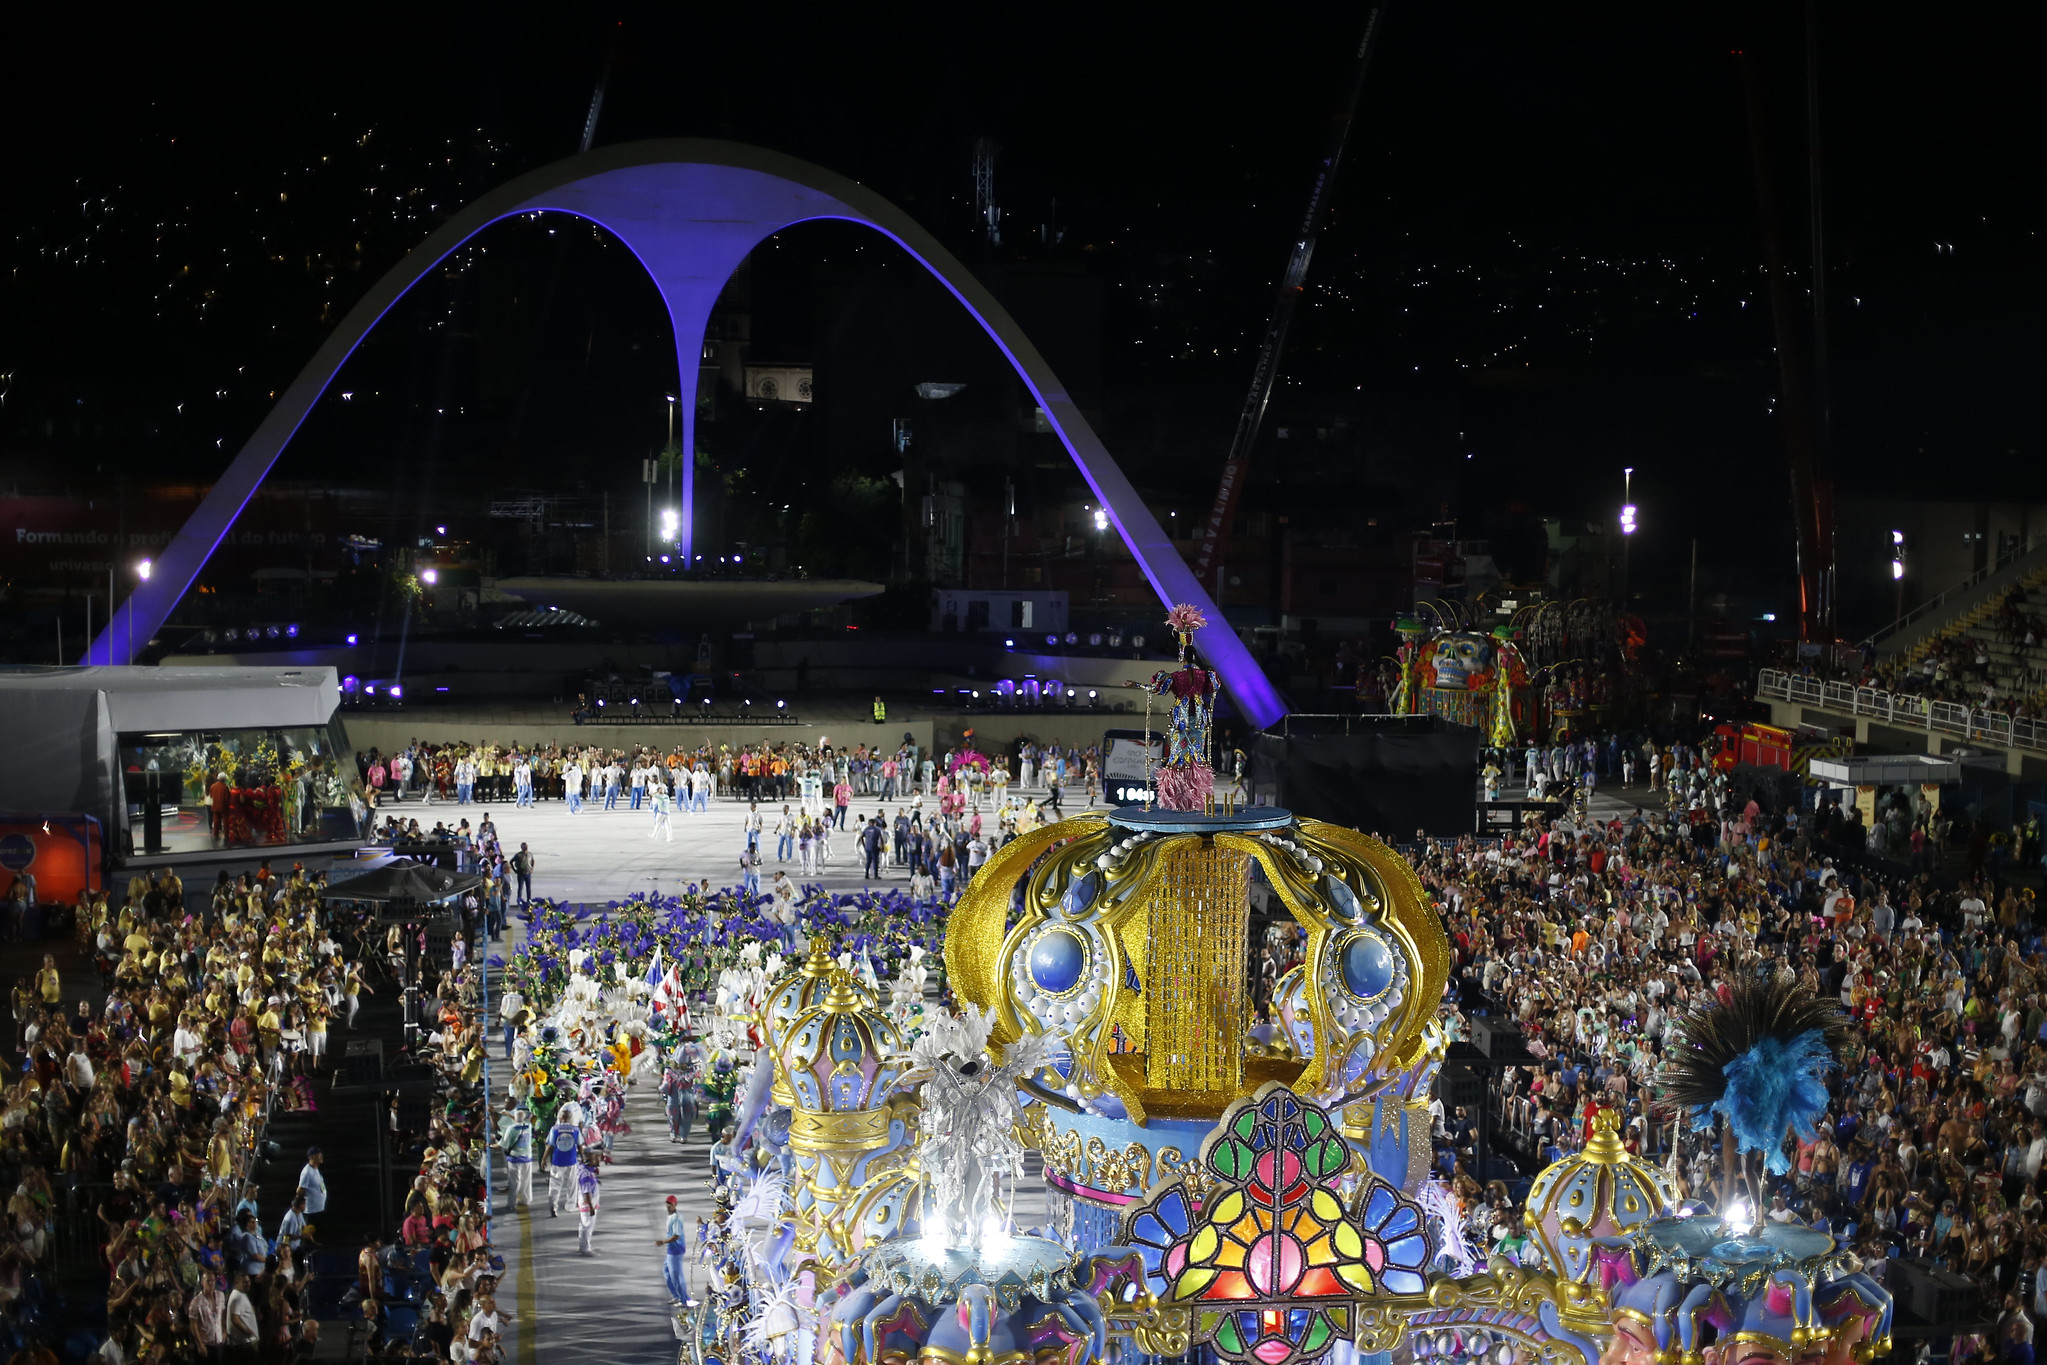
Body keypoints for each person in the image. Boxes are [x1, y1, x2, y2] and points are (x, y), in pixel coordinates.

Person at [498, 1105, 536, 1209]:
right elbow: (521, 1121)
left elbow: (505, 1144)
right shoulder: (528, 1126)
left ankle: (511, 1204)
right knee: (526, 1180)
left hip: (514, 1158)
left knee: (514, 1182)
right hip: (527, 1157)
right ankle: (526, 1200)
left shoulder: (511, 1129)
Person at [546, 1111, 582, 1215]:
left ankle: (553, 1205)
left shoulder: (554, 1129)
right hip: (571, 1160)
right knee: (572, 1185)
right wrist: (583, 1157)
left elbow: (549, 1145)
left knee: (555, 1184)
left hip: (557, 1161)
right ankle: (570, 1206)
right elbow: (580, 1145)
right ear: (570, 1118)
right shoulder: (575, 1129)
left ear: (560, 1118)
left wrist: (544, 1159)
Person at [661, 1194, 690, 1303]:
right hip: (671, 1248)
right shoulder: (671, 1216)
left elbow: (676, 1236)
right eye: (667, 1205)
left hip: (676, 1250)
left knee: (676, 1276)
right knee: (667, 1272)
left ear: (675, 1205)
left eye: (670, 1205)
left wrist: (663, 1242)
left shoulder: (676, 1218)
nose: (668, 1207)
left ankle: (683, 1299)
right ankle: (676, 1295)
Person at [576, 1149, 602, 1255]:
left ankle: (584, 1246)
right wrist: (591, 1206)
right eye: (593, 1158)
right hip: (588, 1205)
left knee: (586, 1225)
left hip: (589, 1204)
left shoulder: (585, 1170)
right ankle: (585, 1249)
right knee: (587, 1226)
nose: (596, 1159)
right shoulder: (586, 1174)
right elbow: (586, 1192)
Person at [297, 1145, 328, 1218]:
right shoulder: (307, 1172)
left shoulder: (316, 1169)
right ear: (312, 1157)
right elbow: (300, 1190)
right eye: (319, 1155)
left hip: (318, 1210)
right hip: (311, 1211)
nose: (321, 1156)